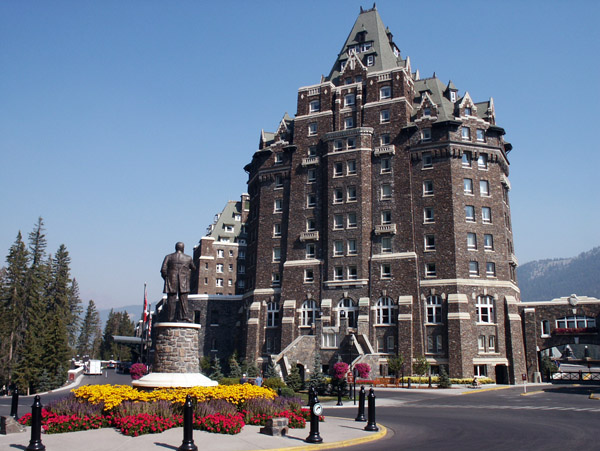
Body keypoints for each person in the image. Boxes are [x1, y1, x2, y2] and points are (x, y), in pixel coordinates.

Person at [161, 242, 197, 322]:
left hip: (171, 281)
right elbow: (194, 268)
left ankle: (170, 318)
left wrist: (167, 279)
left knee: (171, 300)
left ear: (176, 248)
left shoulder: (169, 257)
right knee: (184, 300)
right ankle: (184, 316)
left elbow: (163, 269)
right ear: (183, 248)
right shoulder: (188, 258)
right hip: (183, 281)